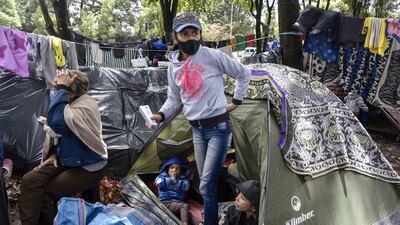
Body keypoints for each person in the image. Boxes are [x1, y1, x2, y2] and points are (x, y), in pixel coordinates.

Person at [151, 12, 251, 225]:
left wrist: (237, 101)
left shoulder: (212, 56)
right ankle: (212, 217)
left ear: (200, 34)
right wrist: (160, 115)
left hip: (219, 129)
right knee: (206, 182)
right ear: (175, 37)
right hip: (196, 130)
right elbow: (173, 99)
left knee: (206, 184)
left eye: (195, 32)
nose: (191, 38)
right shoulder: (173, 66)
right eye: (185, 34)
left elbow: (243, 73)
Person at [19, 70, 108, 225]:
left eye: (59, 90)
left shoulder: (85, 106)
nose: (56, 92)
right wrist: (53, 153)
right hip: (68, 157)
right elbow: (61, 135)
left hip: (88, 165)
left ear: (72, 92)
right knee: (29, 181)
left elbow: (57, 122)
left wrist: (62, 88)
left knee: (46, 193)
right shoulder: (70, 103)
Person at [155, 156, 191, 225]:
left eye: (177, 169)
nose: (174, 170)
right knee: (184, 206)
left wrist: (176, 181)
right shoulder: (162, 177)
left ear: (180, 171)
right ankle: (184, 223)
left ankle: (199, 223)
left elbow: (186, 187)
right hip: (165, 202)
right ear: (168, 168)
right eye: (172, 168)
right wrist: (170, 180)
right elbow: (158, 183)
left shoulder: (182, 179)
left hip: (177, 203)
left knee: (188, 214)